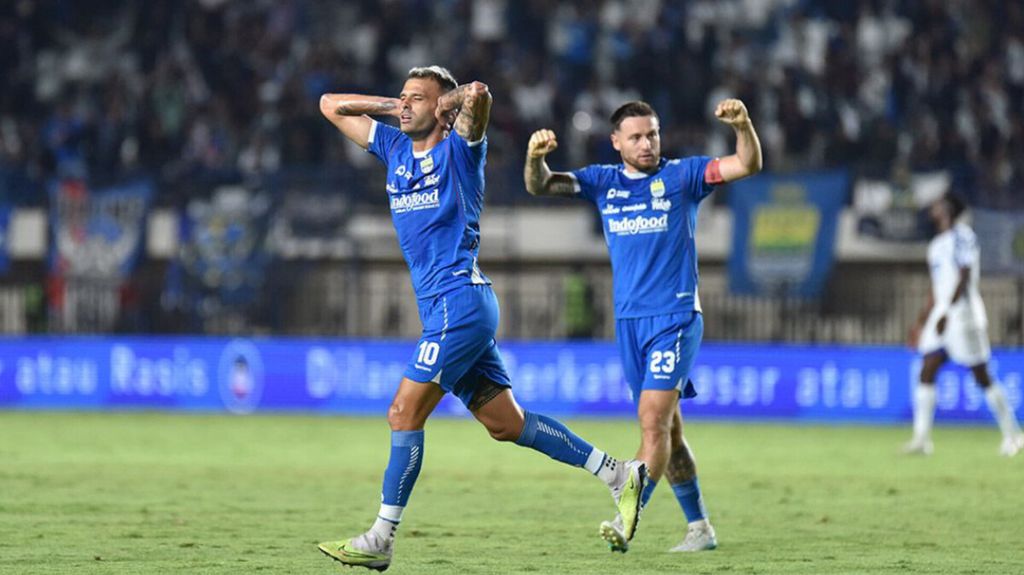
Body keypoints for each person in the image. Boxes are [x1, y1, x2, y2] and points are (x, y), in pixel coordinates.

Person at [315, 66, 647, 571]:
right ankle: (617, 473)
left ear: (442, 111)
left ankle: (381, 537)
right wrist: (399, 105)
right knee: (506, 424)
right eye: (402, 97)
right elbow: (329, 104)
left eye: (416, 99)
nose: (404, 105)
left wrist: (448, 102)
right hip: (453, 308)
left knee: (403, 413)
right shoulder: (393, 147)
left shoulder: (460, 152)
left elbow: (480, 96)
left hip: (459, 304)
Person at [523, 99, 762, 553]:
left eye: (652, 134)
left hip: (674, 317)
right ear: (616, 143)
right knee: (669, 433)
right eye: (635, 136)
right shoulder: (601, 182)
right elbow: (541, 186)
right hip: (629, 323)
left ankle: (626, 516)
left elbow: (747, 163)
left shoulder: (683, 176)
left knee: (651, 421)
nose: (647, 143)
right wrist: (536, 159)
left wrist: (744, 126)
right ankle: (700, 529)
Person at [905, 194, 1024, 457]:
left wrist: (947, 311)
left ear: (947, 209)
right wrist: (923, 321)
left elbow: (965, 273)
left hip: (963, 315)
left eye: (937, 204)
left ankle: (1013, 435)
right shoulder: (936, 245)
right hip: (942, 315)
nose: (933, 209)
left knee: (981, 376)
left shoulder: (963, 235)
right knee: (927, 370)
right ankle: (921, 439)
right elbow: (937, 288)